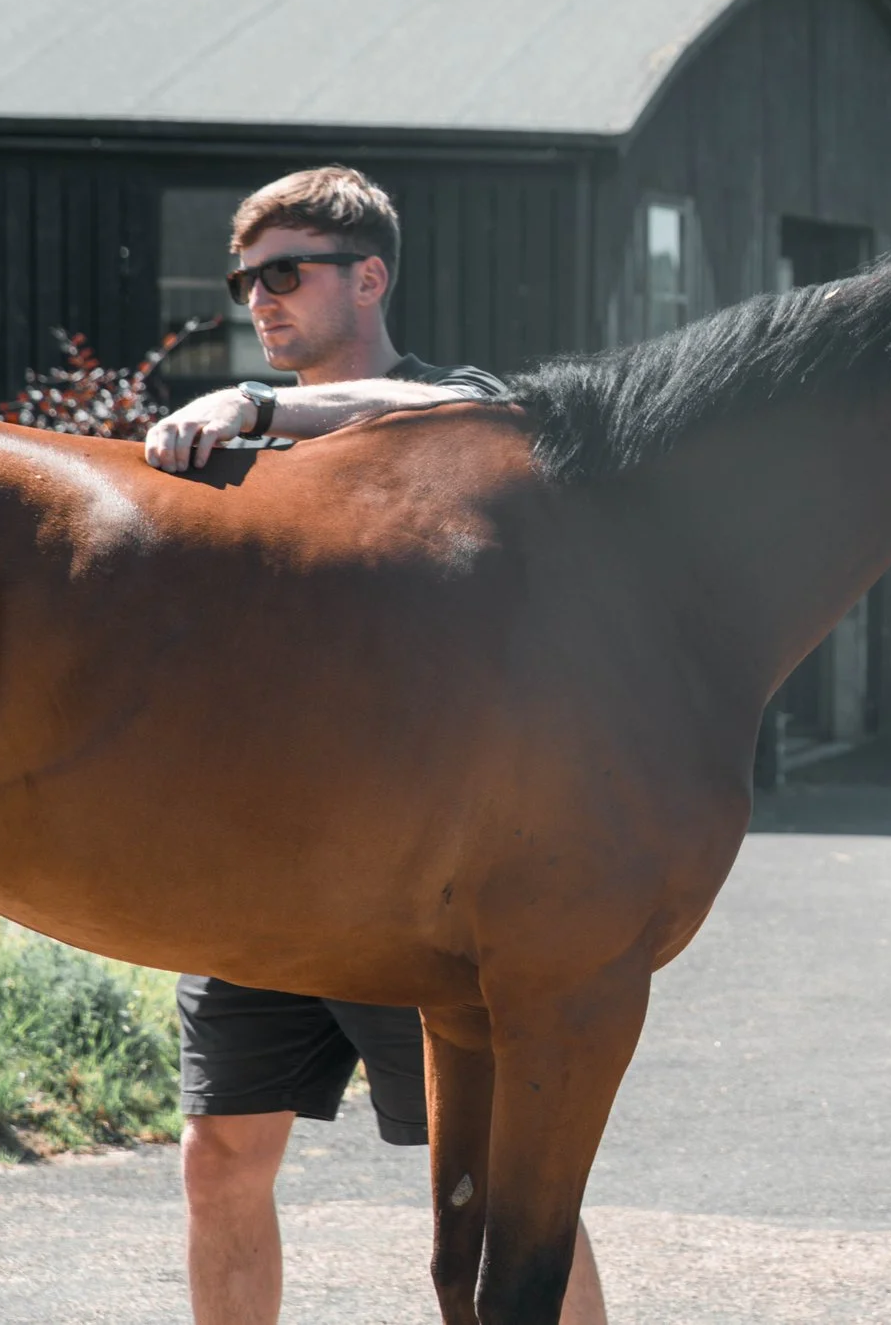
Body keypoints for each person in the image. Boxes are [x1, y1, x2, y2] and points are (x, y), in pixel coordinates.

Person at [143, 167, 607, 1325]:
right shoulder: (231, 441)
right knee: (217, 1160)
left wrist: (261, 407)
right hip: (259, 870)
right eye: (245, 278)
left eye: (284, 273)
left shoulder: (456, 409)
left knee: (508, 1193)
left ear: (369, 276)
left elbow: (442, 415)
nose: (259, 297)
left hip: (416, 884)